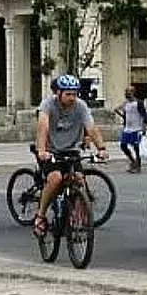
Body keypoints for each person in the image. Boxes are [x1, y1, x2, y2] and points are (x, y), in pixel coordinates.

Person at [33, 74, 109, 237]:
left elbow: (91, 127)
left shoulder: (80, 106)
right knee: (55, 179)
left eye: (75, 93)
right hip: (50, 150)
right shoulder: (48, 105)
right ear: (58, 93)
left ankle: (75, 214)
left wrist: (101, 148)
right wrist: (41, 151)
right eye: (68, 94)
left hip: (71, 150)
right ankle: (41, 215)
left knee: (79, 179)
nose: (72, 98)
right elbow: (42, 127)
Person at [115, 86, 147, 174]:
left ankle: (138, 165)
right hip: (128, 129)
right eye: (126, 92)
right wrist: (124, 117)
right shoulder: (126, 103)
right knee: (123, 145)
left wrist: (144, 128)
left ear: (133, 93)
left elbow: (145, 116)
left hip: (137, 129)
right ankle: (132, 160)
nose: (126, 94)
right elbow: (117, 109)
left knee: (136, 147)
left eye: (128, 92)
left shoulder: (138, 103)